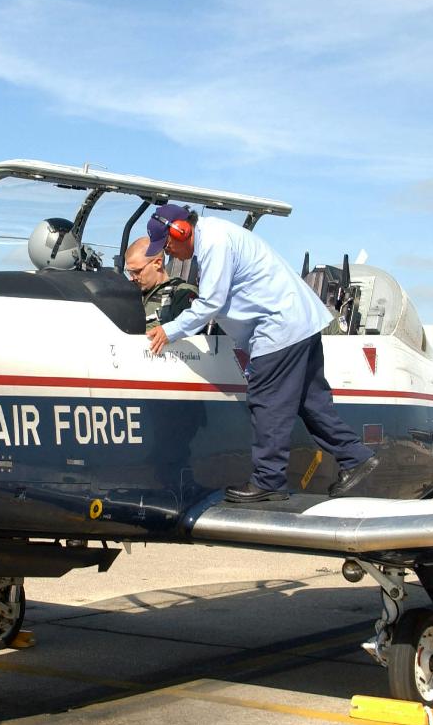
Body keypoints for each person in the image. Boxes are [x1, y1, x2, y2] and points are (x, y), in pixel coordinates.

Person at [144, 204, 379, 502]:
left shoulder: (215, 242)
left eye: (166, 246)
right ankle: (356, 458)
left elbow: (210, 303)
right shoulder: (215, 236)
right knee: (311, 404)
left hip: (279, 330)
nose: (169, 254)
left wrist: (170, 330)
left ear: (181, 231)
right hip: (300, 324)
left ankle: (268, 480)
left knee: (267, 401)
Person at [123, 236, 199, 332]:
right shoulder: (129, 294)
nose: (132, 278)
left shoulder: (181, 294)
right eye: (130, 272)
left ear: (157, 263)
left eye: (137, 272)